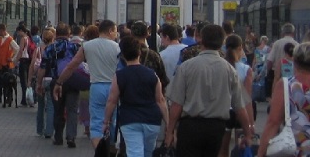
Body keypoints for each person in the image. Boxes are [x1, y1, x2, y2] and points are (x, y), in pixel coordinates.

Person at [164, 24, 253, 157]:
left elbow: (176, 104)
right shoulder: (229, 70)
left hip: (190, 126)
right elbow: (240, 107)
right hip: (216, 127)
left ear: (201, 40)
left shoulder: (186, 67)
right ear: (222, 42)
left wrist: (170, 131)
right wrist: (247, 133)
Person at [55, 19, 121, 149]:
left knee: (96, 122)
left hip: (96, 86)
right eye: (115, 31)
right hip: (114, 87)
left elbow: (71, 66)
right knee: (113, 121)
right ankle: (111, 146)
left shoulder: (87, 46)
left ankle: (99, 150)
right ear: (110, 31)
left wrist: (59, 81)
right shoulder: (118, 48)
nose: (116, 34)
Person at [103, 35, 168, 157]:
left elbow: (112, 100)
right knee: (149, 151)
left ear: (122, 55)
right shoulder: (152, 75)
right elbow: (160, 100)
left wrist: (106, 121)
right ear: (139, 53)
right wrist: (168, 123)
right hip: (152, 120)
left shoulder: (119, 76)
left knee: (134, 151)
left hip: (130, 119)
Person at [257, 41, 310, 157]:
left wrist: (260, 153)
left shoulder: (286, 85)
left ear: (295, 62)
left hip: (297, 149)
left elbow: (273, 123)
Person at [45, 22, 82, 147]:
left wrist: (38, 83)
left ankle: (58, 137)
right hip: (72, 81)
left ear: (56, 34)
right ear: (68, 33)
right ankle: (71, 137)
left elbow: (42, 67)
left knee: (58, 110)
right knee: (72, 110)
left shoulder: (50, 48)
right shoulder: (75, 47)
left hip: (56, 81)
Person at [217, 34, 254, 157]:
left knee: (223, 149)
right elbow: (247, 98)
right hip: (240, 112)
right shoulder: (246, 69)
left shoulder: (221, 67)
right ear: (240, 47)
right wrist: (250, 123)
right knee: (241, 147)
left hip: (224, 111)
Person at [34, 27, 56, 138]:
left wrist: (37, 82)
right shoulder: (56, 49)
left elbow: (37, 66)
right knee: (51, 106)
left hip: (41, 79)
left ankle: (39, 129)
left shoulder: (39, 49)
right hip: (51, 79)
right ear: (53, 38)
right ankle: (49, 131)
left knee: (41, 106)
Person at [265, 23, 297, 99]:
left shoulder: (277, 43)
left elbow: (270, 60)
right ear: (293, 33)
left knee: (277, 96)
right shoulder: (297, 44)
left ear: (283, 33)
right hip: (293, 76)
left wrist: (267, 72)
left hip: (277, 74)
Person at [0, 23, 18, 105]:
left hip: (7, 65)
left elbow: (17, 48)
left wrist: (12, 58)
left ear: (3, 30)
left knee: (8, 83)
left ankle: (9, 98)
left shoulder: (10, 40)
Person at [16, 26, 32, 106]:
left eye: (18, 32)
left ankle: (24, 100)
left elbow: (20, 51)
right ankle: (29, 98)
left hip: (23, 60)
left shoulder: (23, 39)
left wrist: (15, 61)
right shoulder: (29, 38)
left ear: (21, 31)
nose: (18, 34)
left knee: (23, 82)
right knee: (27, 80)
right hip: (28, 60)